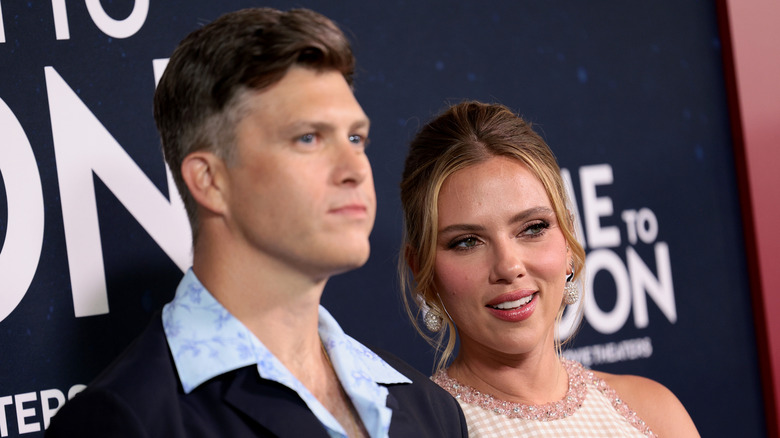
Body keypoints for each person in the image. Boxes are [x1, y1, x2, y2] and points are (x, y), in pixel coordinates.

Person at [46, 8, 467, 438]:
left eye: (355, 137)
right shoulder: (130, 421)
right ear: (210, 181)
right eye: (308, 138)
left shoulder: (431, 408)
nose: (355, 167)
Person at [398, 101, 700, 437]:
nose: (509, 266)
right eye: (467, 242)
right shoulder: (424, 431)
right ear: (422, 271)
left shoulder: (652, 410)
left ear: (569, 240)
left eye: (533, 228)